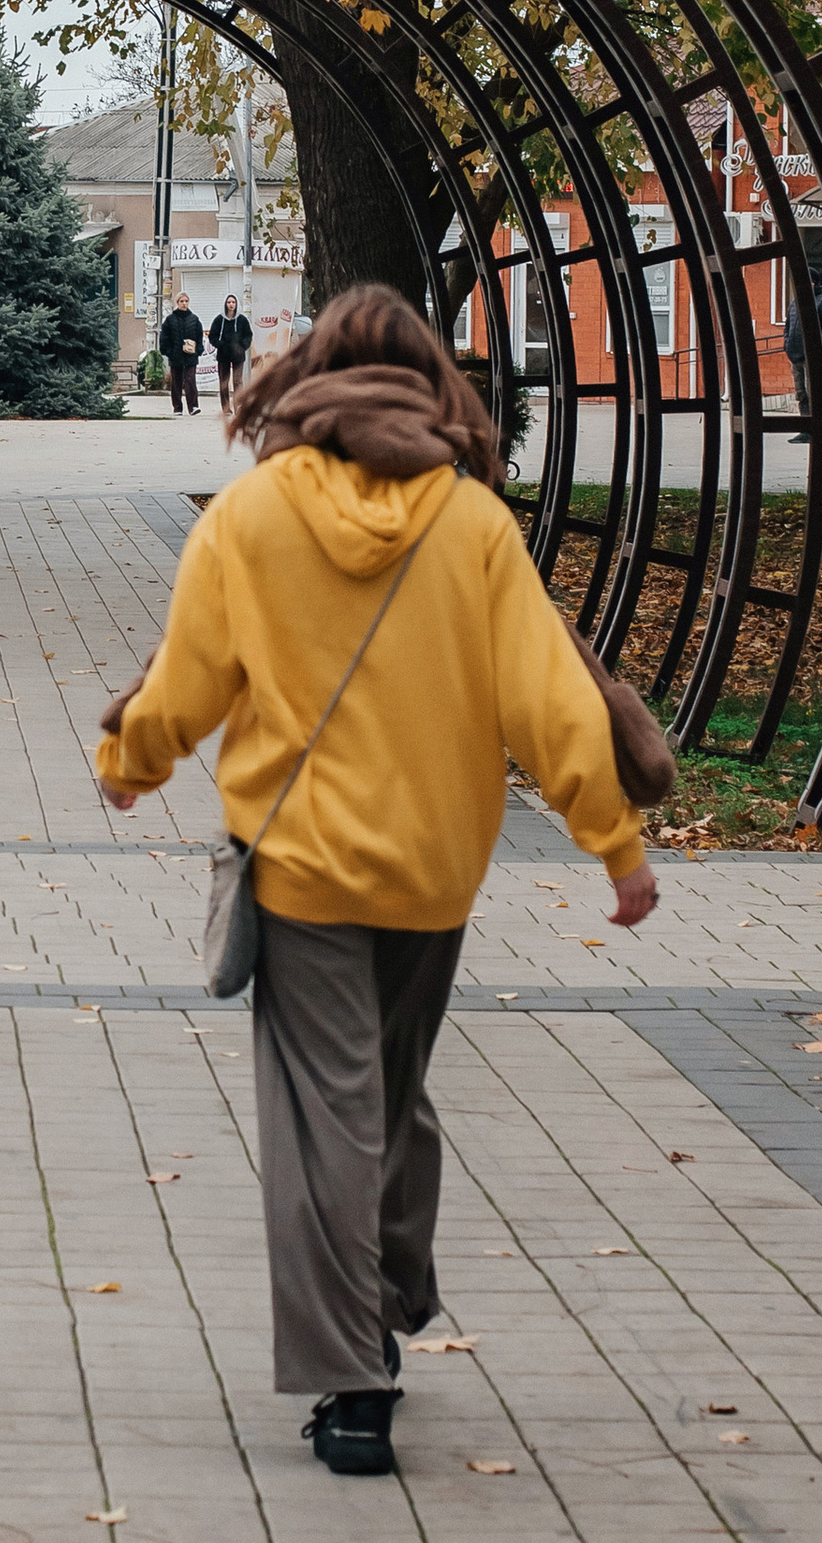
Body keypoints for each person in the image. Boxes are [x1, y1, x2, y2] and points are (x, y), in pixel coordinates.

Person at [95, 285, 656, 1478]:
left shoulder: (252, 515)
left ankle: (353, 1380)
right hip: (436, 871)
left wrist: (129, 762)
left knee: (327, 1118)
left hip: (300, 868)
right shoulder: (472, 521)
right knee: (389, 1097)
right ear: (430, 390)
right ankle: (389, 1293)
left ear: (301, 383)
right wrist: (611, 841)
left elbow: (189, 676)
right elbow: (549, 698)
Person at [784, 283, 822, 440]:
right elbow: (788, 326)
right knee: (801, 392)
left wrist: (815, 344)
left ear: (815, 283)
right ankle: (806, 427)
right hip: (795, 354)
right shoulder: (795, 302)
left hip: (815, 355)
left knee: (814, 391)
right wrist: (787, 344)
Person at [157, 291, 206, 415]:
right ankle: (177, 407)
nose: (184, 303)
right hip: (176, 356)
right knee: (176, 382)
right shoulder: (170, 320)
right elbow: (164, 338)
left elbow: (199, 336)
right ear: (177, 302)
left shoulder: (194, 319)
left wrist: (198, 350)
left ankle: (193, 406)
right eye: (181, 301)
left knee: (190, 380)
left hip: (191, 356)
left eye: (186, 301)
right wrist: (169, 352)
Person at [209, 291, 254, 407]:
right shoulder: (219, 320)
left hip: (238, 355)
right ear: (225, 304)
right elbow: (212, 336)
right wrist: (220, 345)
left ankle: (238, 406)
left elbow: (248, 335)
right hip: (223, 355)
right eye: (229, 302)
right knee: (224, 382)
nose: (231, 304)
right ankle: (225, 407)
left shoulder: (242, 320)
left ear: (236, 304)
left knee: (237, 381)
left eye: (233, 302)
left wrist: (242, 346)